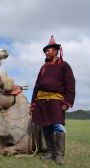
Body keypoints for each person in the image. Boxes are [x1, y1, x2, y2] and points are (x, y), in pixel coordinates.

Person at [31, 35, 75, 165]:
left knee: (58, 126)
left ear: (55, 51)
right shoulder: (43, 68)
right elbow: (37, 85)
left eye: (48, 50)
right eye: (45, 51)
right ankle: (50, 152)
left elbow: (70, 84)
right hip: (41, 101)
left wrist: (67, 102)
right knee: (46, 126)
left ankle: (59, 155)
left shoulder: (64, 66)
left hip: (56, 101)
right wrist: (33, 102)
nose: (46, 52)